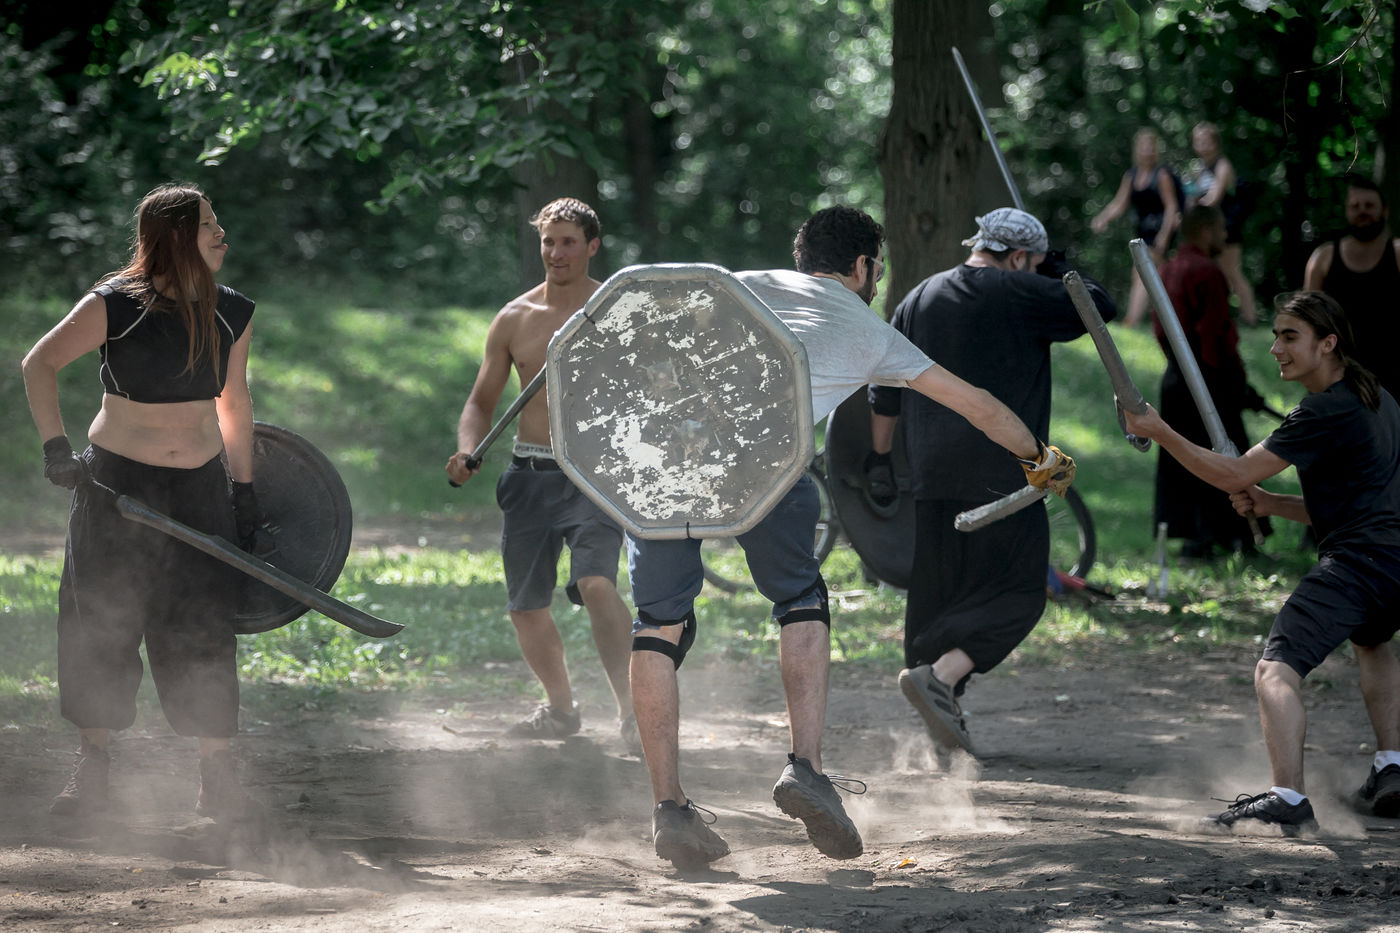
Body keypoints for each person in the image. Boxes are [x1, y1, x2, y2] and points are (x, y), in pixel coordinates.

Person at [629, 206, 1077, 870]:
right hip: (766, 465)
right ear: (863, 266)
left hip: (659, 462)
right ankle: (806, 770)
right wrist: (1040, 457)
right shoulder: (866, 328)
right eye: (878, 268)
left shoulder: (735, 285)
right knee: (801, 601)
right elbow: (977, 405)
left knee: (658, 624)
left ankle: (668, 807)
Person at [20, 183, 264, 823]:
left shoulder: (231, 312)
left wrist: (242, 491)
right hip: (116, 488)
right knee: (101, 622)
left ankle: (217, 778)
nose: (221, 234)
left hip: (199, 490)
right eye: (208, 224)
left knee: (202, 624)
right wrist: (56, 450)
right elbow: (38, 364)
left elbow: (234, 403)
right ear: (176, 236)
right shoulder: (116, 305)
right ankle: (93, 767)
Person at [1124, 291, 1400, 835]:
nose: (1275, 348)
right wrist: (1272, 504)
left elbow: (1233, 474)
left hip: (1358, 565)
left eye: (1289, 336)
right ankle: (1392, 767)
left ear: (1328, 343)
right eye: (1275, 335)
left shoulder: (1321, 410)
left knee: (1276, 670)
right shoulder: (1379, 400)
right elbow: (1360, 505)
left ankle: (1287, 797)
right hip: (1393, 563)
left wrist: (1159, 430)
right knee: (1373, 643)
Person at [866, 207, 1117, 758]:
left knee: (938, 597)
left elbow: (883, 390)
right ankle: (941, 677)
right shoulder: (1021, 292)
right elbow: (1100, 306)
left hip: (930, 475)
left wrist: (880, 462)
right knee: (1019, 594)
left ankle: (941, 720)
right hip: (1005, 477)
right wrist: (1059, 271)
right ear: (1020, 257)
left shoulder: (918, 297)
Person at [445, 197, 636, 748]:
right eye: (549, 242)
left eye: (569, 242)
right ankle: (561, 710)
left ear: (592, 246)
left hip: (593, 477)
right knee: (526, 608)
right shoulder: (515, 318)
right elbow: (480, 402)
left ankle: (633, 713)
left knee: (596, 584)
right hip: (528, 475)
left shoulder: (614, 311)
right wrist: (466, 449)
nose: (556, 252)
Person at [1153, 204, 1270, 558]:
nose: (1224, 235)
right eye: (1220, 229)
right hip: (1208, 380)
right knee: (1231, 458)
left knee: (1187, 458)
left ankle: (1198, 538)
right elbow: (1215, 337)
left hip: (1177, 377)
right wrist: (1235, 383)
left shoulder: (1169, 269)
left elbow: (1162, 331)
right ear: (1205, 231)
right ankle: (1238, 538)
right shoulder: (1207, 272)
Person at [1303, 173, 1400, 398]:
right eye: (1355, 206)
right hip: (1339, 375)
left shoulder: (1397, 254)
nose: (1362, 211)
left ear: (1384, 211)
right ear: (1346, 212)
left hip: (1393, 374)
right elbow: (1307, 322)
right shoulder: (1323, 259)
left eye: (1369, 205)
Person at [1090, 128, 1181, 327]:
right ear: (1137, 150)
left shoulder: (1162, 175)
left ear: (1156, 150)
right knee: (1160, 278)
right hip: (1143, 233)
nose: (1147, 151)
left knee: (1141, 272)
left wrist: (1164, 236)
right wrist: (1103, 218)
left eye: (1151, 147)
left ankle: (1131, 321)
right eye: (1143, 147)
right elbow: (1119, 204)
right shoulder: (1131, 176)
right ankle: (1171, 321)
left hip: (1160, 232)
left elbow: (1171, 206)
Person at [1185, 121, 1257, 326]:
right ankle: (1215, 316)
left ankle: (1250, 317)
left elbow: (1213, 198)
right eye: (1198, 141)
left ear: (1216, 142)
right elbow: (1191, 197)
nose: (1202, 145)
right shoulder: (1199, 168)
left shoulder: (1223, 166)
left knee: (1231, 271)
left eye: (1206, 140)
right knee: (1211, 273)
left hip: (1226, 229)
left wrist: (1194, 212)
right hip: (1207, 231)